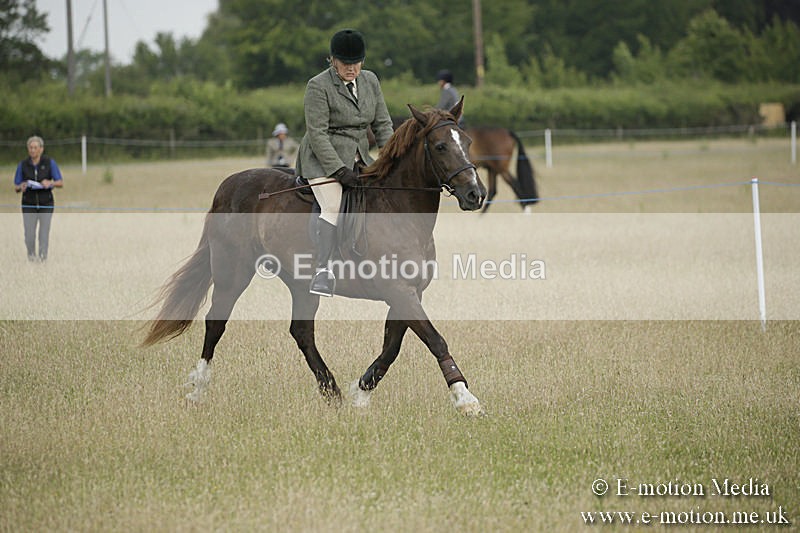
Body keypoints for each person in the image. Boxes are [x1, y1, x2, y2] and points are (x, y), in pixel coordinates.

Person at [296, 28, 393, 297]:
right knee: (333, 206)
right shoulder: (318, 86)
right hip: (322, 158)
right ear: (332, 60)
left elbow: (383, 124)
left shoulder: (370, 80)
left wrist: (393, 156)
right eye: (345, 64)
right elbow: (317, 133)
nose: (352, 69)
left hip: (360, 155)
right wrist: (338, 170)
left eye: (356, 63)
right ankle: (323, 271)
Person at [13, 136, 64, 262]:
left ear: (41, 149)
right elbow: (16, 186)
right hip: (28, 204)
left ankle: (42, 259)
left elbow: (60, 182)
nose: (33, 150)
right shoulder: (23, 165)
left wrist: (50, 183)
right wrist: (21, 186)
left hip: (46, 203)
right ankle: (31, 256)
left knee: (43, 233)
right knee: (29, 235)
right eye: (30, 147)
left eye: (35, 147)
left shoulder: (49, 163)